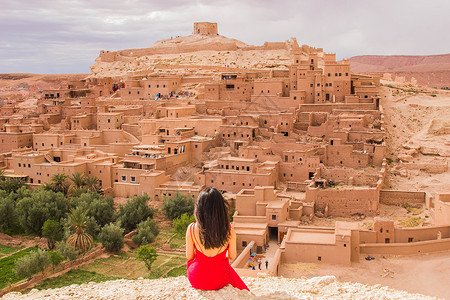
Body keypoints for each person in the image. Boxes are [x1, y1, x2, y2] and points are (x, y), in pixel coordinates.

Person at [186, 187, 249, 291]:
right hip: (221, 278)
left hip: (197, 279)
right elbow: (232, 256)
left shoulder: (191, 228)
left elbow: (189, 256)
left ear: (199, 207)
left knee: (192, 264)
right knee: (226, 268)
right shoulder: (229, 229)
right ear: (221, 207)